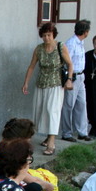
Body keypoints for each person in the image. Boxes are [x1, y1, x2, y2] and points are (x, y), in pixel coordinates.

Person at [22, 22, 74, 156]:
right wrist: (26, 82)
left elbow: (70, 64)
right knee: (40, 111)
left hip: (56, 84)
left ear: (53, 35)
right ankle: (45, 136)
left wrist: (69, 79)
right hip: (41, 83)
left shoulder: (60, 47)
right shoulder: (39, 49)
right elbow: (32, 66)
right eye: (44, 35)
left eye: (49, 35)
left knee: (52, 111)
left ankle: (51, 141)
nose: (46, 38)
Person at [60, 20, 92, 142]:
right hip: (73, 76)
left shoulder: (81, 42)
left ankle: (82, 131)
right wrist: (68, 78)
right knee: (69, 105)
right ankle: (67, 133)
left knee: (82, 103)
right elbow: (66, 62)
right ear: (85, 31)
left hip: (81, 75)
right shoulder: (71, 43)